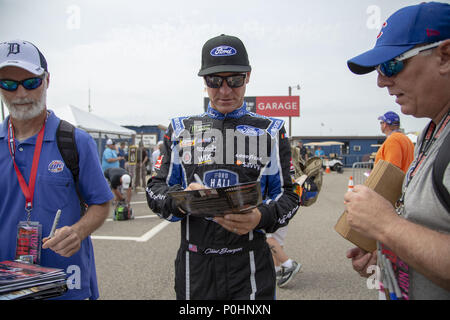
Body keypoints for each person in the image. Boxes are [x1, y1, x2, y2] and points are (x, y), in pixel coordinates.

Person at [146, 34, 300, 300]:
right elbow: (154, 189)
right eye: (215, 81)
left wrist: (260, 217)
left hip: (250, 264)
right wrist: (183, 201)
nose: (225, 90)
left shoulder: (272, 131)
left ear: (248, 76)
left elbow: (291, 194)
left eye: (235, 80)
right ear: (204, 81)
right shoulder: (181, 129)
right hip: (196, 266)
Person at [345, 2, 450, 299]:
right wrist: (392, 254)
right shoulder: (432, 130)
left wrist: (387, 226)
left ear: (445, 56)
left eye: (392, 64)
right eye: (379, 68)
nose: (381, 80)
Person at [0, 39, 113, 299]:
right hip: (7, 286)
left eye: (30, 82)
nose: (20, 94)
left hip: (65, 286)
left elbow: (101, 203)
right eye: (8, 84)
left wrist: (78, 231)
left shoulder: (75, 141)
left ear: (47, 80)